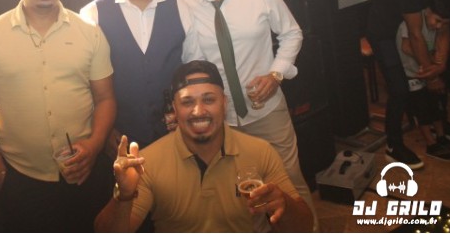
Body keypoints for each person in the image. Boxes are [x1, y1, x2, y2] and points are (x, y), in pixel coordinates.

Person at [0, 0, 116, 232]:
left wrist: (95, 145)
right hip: (22, 180)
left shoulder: (89, 32)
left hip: (86, 172)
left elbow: (106, 99)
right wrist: (1, 176)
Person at [178, 0, 318, 229]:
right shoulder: (186, 9)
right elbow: (194, 63)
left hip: (267, 112)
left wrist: (276, 74)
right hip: (224, 122)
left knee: (289, 180)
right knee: (244, 195)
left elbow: (292, 33)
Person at [94, 60, 313, 233]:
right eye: (187, 102)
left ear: (224, 103)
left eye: (209, 100)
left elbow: (303, 228)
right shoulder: (146, 162)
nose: (199, 111)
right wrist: (124, 196)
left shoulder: (259, 151)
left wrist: (283, 204)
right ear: (174, 109)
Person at [80, 0, 198, 151]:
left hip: (178, 135)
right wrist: (103, 130)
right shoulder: (92, 13)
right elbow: (84, 83)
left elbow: (194, 68)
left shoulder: (180, 7)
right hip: (120, 138)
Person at [367, 0, 450, 169]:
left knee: (438, 75)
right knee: (400, 90)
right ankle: (393, 146)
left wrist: (440, 63)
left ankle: (438, 125)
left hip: (401, 27)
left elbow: (443, 22)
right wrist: (431, 75)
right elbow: (415, 36)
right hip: (382, 32)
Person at [396, 1, 450, 160]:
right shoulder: (410, 22)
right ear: (428, 12)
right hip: (413, 74)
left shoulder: (436, 26)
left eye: (444, 24)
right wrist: (428, 61)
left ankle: (441, 137)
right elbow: (407, 47)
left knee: (435, 102)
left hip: (427, 70)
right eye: (438, 21)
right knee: (421, 109)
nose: (439, 26)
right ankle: (431, 143)